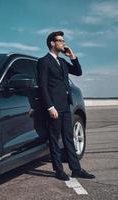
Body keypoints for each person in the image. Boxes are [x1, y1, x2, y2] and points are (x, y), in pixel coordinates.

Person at [37, 31, 95, 181]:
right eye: (60, 41)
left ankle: (76, 169)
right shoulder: (44, 61)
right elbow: (42, 86)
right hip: (54, 108)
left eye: (63, 40)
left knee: (68, 138)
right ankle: (58, 170)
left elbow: (78, 72)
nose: (64, 43)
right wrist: (50, 107)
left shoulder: (62, 62)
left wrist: (72, 57)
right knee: (54, 139)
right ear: (52, 43)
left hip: (65, 106)